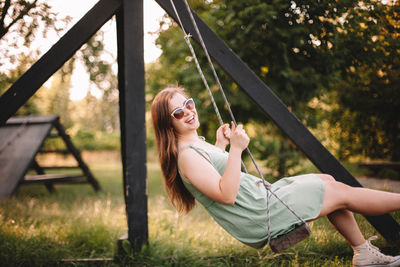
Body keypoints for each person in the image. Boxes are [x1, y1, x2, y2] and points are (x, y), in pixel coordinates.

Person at [151, 86, 400, 267]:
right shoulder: (185, 156)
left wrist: (221, 146)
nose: (188, 112)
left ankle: (363, 252)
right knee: (340, 194)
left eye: (189, 103)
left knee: (327, 181)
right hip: (259, 212)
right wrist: (237, 149)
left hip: (261, 198)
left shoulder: (196, 146)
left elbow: (211, 171)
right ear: (167, 123)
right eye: (178, 113)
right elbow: (226, 195)